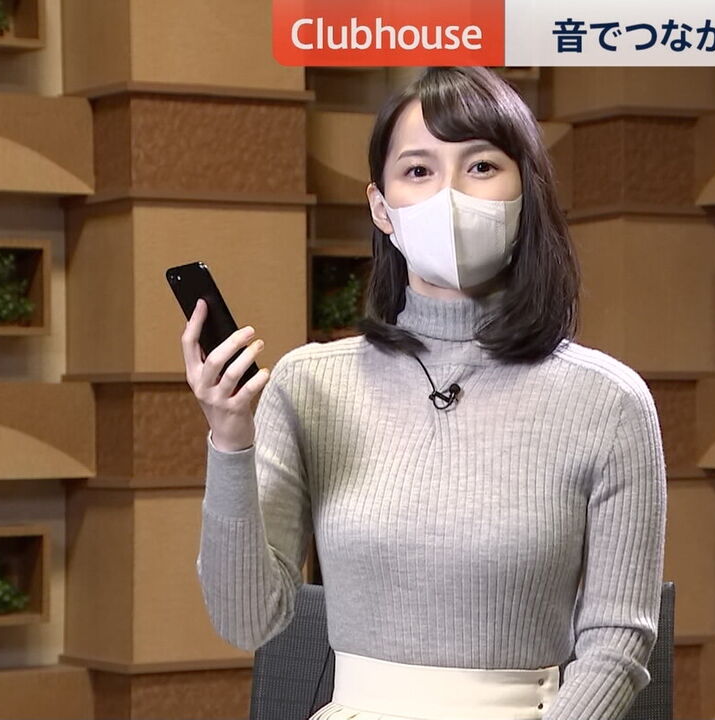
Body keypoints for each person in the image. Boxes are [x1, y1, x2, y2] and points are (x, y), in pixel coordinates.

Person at [182, 66, 667, 720]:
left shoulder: (608, 402)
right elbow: (247, 620)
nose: (450, 195)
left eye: (481, 167)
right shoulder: (310, 384)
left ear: (526, 193)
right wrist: (231, 441)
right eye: (418, 171)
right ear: (381, 208)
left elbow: (618, 640)